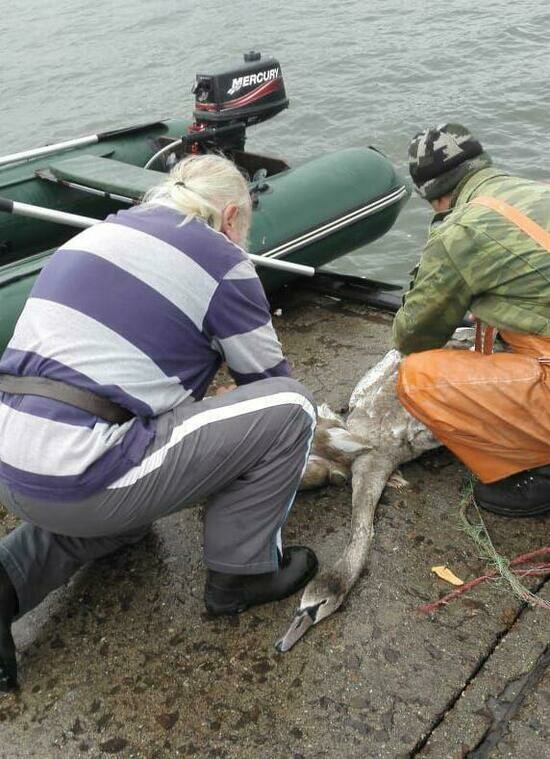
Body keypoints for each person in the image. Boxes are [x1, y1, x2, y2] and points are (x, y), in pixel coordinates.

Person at [0, 154, 318, 690]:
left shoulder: (96, 235)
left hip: (13, 469)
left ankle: (6, 580)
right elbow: (265, 382)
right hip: (84, 470)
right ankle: (242, 574)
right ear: (232, 214)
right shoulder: (222, 257)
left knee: (117, 522)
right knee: (293, 409)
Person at [393, 123, 550, 519]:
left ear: (433, 197)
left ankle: (541, 475)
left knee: (416, 376)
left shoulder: (459, 230)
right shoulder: (534, 192)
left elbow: (413, 335)